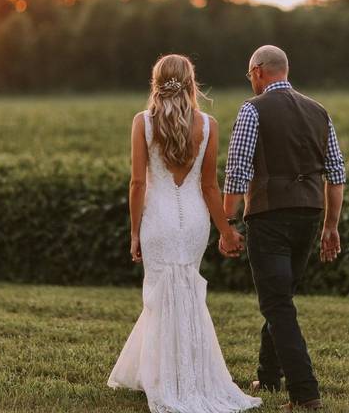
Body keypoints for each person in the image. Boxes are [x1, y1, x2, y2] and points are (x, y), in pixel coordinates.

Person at [108, 54, 263, 413]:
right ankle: (179, 376)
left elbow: (137, 183)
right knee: (187, 294)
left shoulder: (142, 123)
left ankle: (166, 380)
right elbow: (210, 187)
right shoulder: (207, 124)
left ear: (156, 82)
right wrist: (224, 230)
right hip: (194, 221)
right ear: (191, 83)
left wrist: (134, 232)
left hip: (157, 220)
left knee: (160, 298)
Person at [221, 45, 346, 412]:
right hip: (310, 214)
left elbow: (238, 169)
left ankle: (305, 393)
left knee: (276, 303)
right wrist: (331, 226)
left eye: (250, 76)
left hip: (269, 215)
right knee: (281, 297)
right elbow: (336, 174)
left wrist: (227, 221)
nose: (251, 82)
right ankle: (269, 375)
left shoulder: (252, 109)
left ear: (258, 71)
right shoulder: (319, 111)